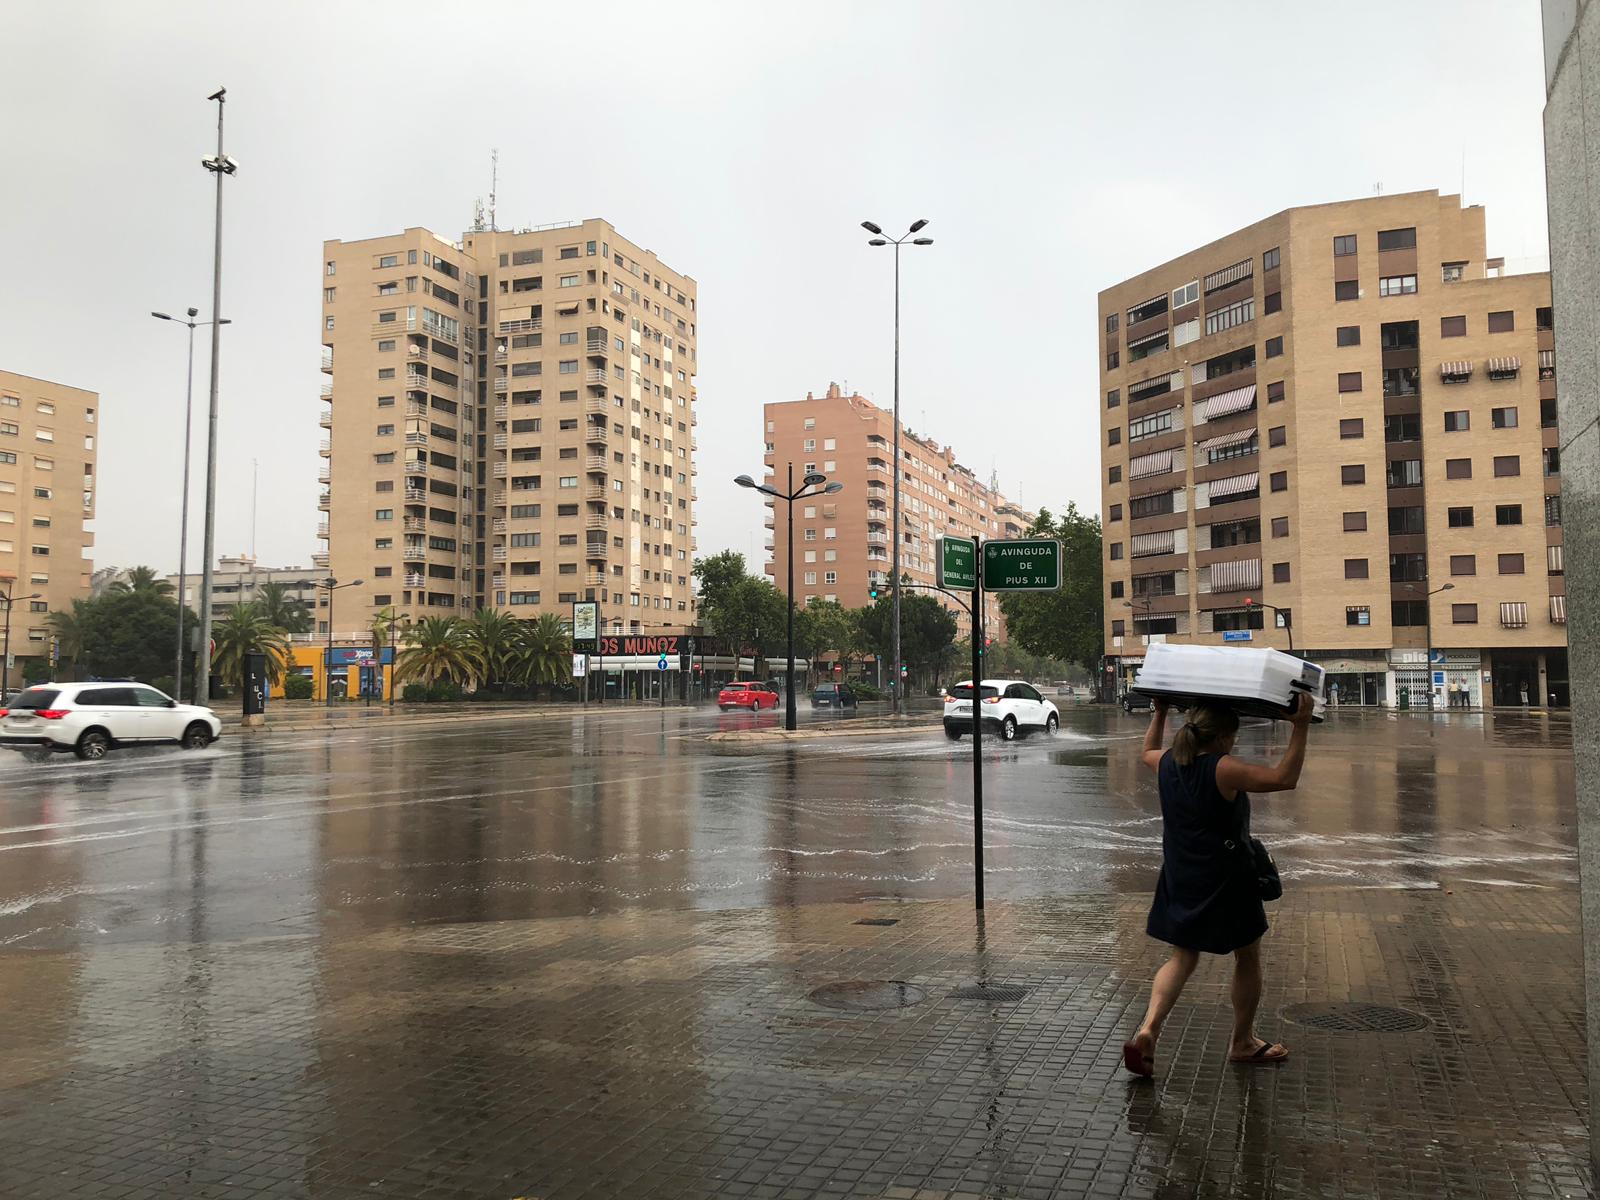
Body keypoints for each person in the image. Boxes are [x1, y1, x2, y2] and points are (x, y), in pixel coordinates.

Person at [1122, 693, 1314, 1078]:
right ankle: (1242, 1042)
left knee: (1182, 958)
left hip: (1181, 873)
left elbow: (1148, 750)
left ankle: (1149, 1028)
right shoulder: (1222, 769)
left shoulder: (1166, 764)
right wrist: (1301, 725)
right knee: (1247, 957)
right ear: (1225, 737)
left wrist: (1159, 711)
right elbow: (1284, 779)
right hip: (1227, 879)